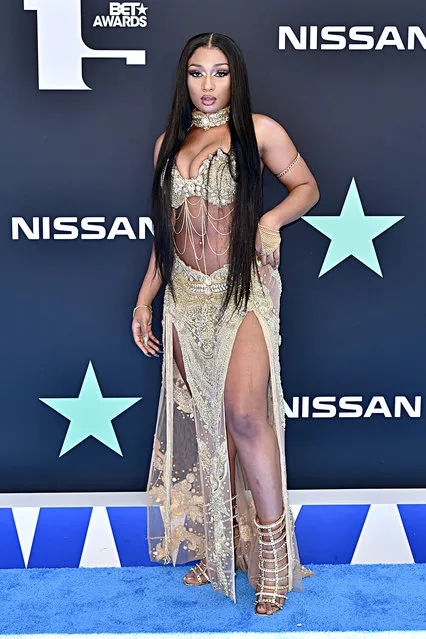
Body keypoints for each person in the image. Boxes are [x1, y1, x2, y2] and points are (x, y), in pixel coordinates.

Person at [132, 32, 320, 616]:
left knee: (243, 413)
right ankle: (221, 548)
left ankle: (272, 557)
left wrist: (270, 222)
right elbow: (166, 237)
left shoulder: (258, 131)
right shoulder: (167, 142)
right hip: (184, 300)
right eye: (197, 73)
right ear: (184, 79)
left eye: (219, 73)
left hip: (241, 293)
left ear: (235, 78)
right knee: (213, 428)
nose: (208, 85)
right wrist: (144, 301)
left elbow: (307, 188)